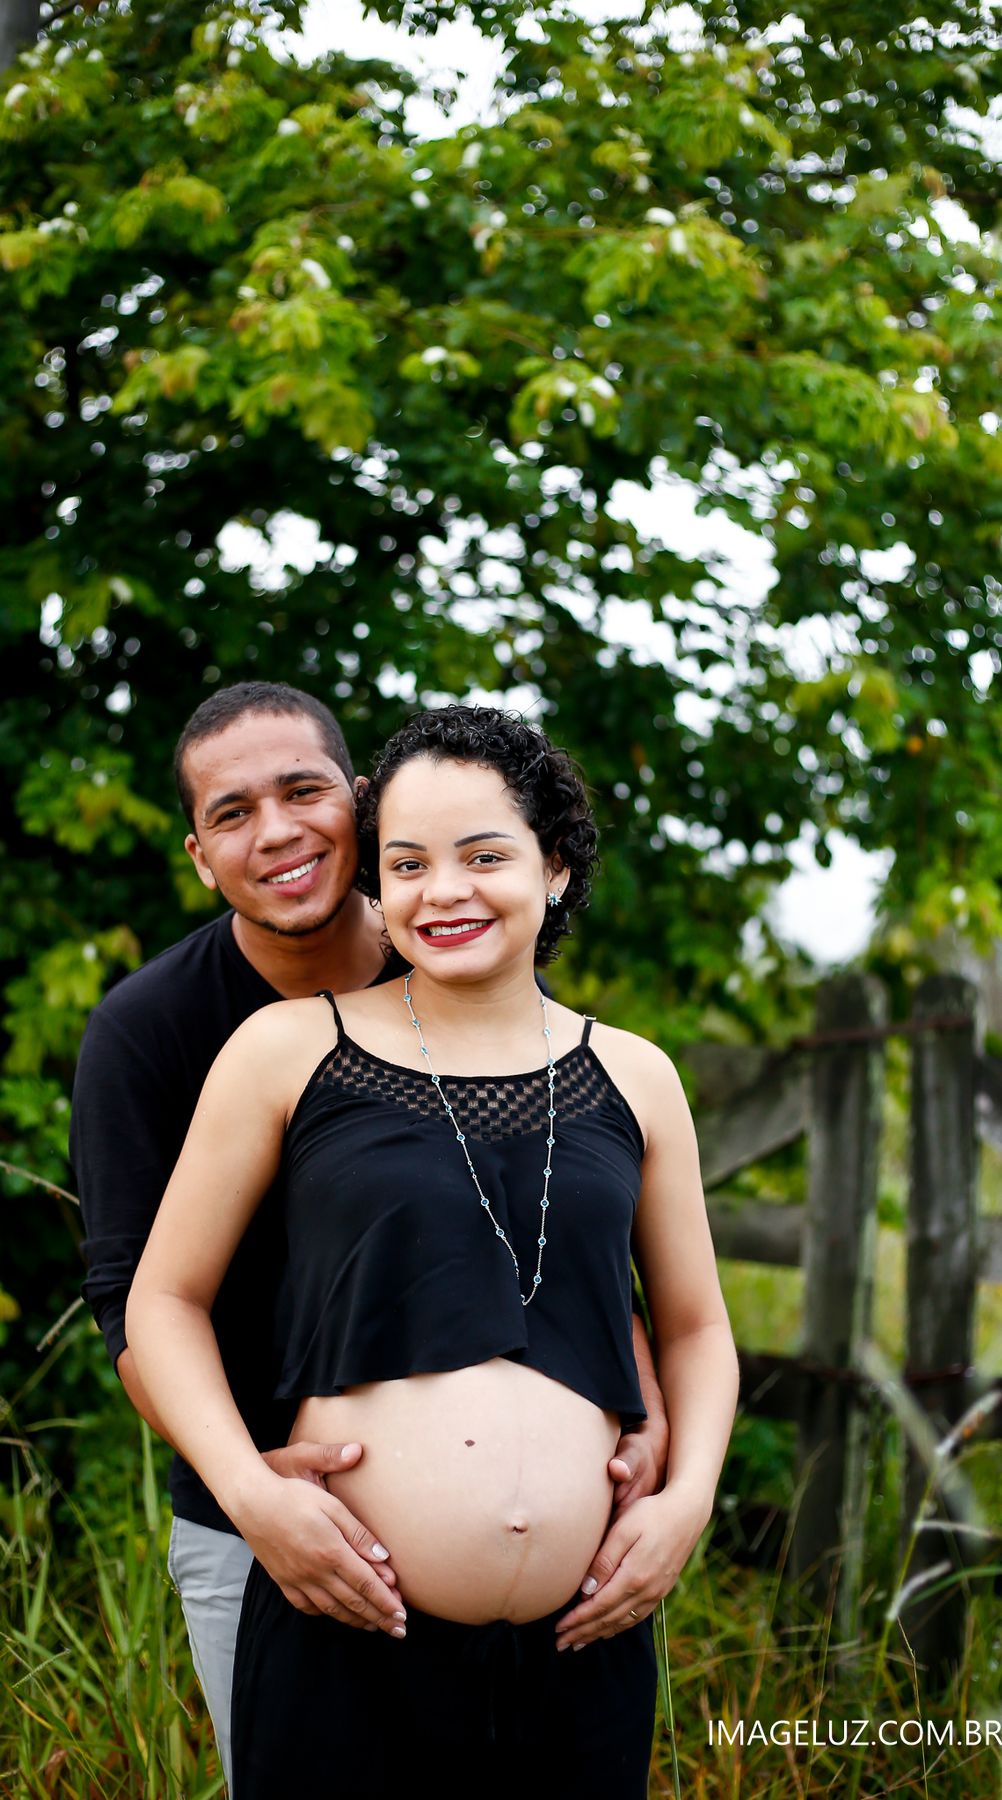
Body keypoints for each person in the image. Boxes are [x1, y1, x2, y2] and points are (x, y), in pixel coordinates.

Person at [125, 704, 738, 1800]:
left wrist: (686, 1502)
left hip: (585, 1640)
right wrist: (252, 1496)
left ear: (555, 866)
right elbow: (161, 1300)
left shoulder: (638, 1076)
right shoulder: (286, 1050)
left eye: (484, 856)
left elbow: (694, 1327)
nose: (443, 891)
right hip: (346, 1630)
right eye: (407, 864)